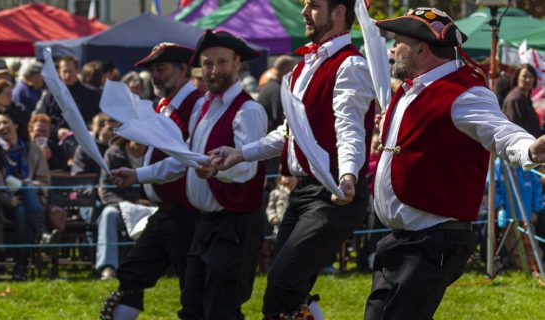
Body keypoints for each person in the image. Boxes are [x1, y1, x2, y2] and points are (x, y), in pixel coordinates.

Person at [358, 9, 545, 319]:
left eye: (398, 42)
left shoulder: (464, 93)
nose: (392, 49)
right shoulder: (412, 90)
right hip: (403, 240)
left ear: (422, 49)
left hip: (432, 240)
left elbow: (500, 132)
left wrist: (532, 148)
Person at [209, 1, 377, 317]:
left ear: (339, 12)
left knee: (282, 286)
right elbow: (290, 132)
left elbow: (349, 128)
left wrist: (348, 175)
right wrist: (240, 153)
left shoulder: (350, 65)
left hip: (334, 194)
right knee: (288, 287)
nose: (304, 12)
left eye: (313, 5)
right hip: (304, 193)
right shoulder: (303, 66)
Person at [111, 30, 268, 319]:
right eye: (207, 64)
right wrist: (138, 175)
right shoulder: (202, 107)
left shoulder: (248, 110)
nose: (213, 70)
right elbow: (184, 159)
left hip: (235, 224)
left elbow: (248, 167)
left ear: (237, 64)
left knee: (221, 310)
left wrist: (217, 171)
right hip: (205, 224)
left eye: (221, 63)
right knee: (193, 308)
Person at [99, 42, 205, 320]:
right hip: (166, 212)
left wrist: (137, 175)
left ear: (183, 70)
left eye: (161, 68)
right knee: (132, 274)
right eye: (153, 70)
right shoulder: (164, 106)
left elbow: (186, 160)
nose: (154, 76)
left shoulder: (198, 106)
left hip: (191, 214)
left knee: (193, 291)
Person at [0, 111, 54, 280]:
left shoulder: (32, 149)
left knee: (23, 205)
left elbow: (44, 179)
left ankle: (20, 268)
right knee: (21, 203)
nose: (2, 127)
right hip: (6, 205)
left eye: (5, 122)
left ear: (15, 124)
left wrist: (30, 186)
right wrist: (10, 200)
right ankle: (42, 232)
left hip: (32, 200)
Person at [95, 136, 149, 281]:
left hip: (151, 206)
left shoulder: (157, 154)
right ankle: (107, 267)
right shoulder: (113, 154)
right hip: (120, 206)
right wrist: (129, 205)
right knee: (108, 215)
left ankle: (150, 268)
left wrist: (149, 203)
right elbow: (106, 190)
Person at [35, 56, 102, 138]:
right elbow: (41, 118)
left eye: (70, 71)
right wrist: (56, 131)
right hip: (56, 142)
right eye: (64, 71)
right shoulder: (51, 95)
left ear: (77, 70)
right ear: (59, 72)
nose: (67, 75)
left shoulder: (92, 94)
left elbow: (100, 119)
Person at [502, 64, 541, 137]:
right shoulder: (515, 99)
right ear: (517, 78)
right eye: (524, 76)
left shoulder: (526, 99)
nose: (528, 80)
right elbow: (517, 130)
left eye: (530, 76)